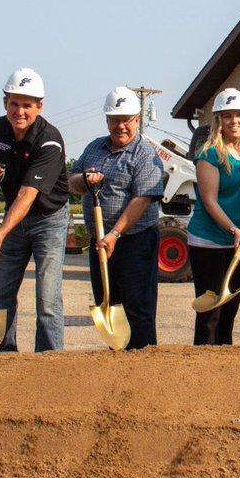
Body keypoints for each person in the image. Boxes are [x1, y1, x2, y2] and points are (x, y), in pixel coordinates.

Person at [0, 68, 70, 353]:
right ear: (5, 102)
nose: (20, 111)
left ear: (39, 107)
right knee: (1, 293)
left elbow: (27, 194)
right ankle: (4, 355)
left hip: (49, 221)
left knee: (47, 298)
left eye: (27, 105)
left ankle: (50, 361)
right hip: (14, 219)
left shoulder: (49, 140)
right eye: (14, 103)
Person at [70, 86, 164, 350]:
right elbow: (70, 181)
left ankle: (142, 361)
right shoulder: (93, 149)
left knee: (138, 308)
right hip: (100, 243)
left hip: (135, 243)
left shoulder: (144, 154)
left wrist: (114, 234)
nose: (120, 126)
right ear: (107, 120)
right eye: (115, 120)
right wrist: (84, 180)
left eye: (126, 120)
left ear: (137, 119)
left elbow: (141, 199)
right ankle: (117, 359)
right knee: (108, 303)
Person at [187, 88, 240, 346]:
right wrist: (234, 230)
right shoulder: (209, 155)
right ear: (218, 120)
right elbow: (209, 202)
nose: (234, 121)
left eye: (239, 115)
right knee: (211, 312)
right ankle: (203, 366)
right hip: (209, 241)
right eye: (227, 115)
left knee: (230, 308)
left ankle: (225, 364)